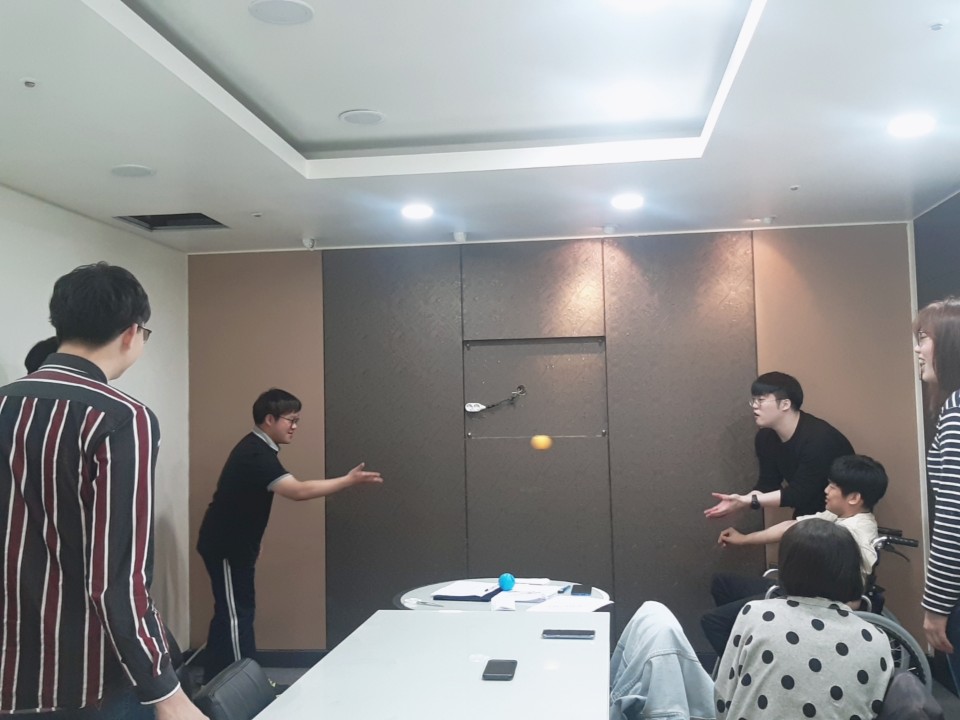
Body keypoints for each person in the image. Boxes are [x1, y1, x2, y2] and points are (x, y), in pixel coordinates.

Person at [0, 263, 205, 718]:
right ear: (132, 333)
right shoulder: (121, 417)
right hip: (82, 671)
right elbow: (117, 578)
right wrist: (165, 691)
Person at [612, 520, 893, 720]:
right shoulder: (877, 639)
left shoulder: (758, 614)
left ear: (788, 567)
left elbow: (722, 701)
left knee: (653, 619)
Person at [196, 389, 383, 683]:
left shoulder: (260, 449)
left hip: (236, 545)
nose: (295, 426)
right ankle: (242, 683)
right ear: (269, 419)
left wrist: (252, 542)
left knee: (232, 613)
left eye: (297, 420)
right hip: (226, 546)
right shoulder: (255, 453)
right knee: (236, 615)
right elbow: (298, 491)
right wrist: (348, 481)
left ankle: (214, 681)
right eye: (291, 420)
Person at [701, 454, 888, 656]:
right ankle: (753, 645)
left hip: (812, 604)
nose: (826, 490)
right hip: (803, 592)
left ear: (854, 498)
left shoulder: (854, 533)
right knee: (722, 584)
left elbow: (851, 597)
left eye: (833, 487)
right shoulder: (840, 516)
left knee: (714, 622)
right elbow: (791, 526)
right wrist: (744, 539)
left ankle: (750, 667)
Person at [704, 371, 854, 519]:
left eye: (760, 400)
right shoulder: (765, 437)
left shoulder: (819, 439)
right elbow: (767, 484)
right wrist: (739, 502)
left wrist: (747, 501)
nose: (754, 406)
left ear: (785, 404)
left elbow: (800, 494)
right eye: (753, 400)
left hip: (842, 518)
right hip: (806, 516)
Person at [914, 297, 960, 686]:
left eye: (923, 338)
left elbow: (954, 516)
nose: (917, 349)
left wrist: (936, 604)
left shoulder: (957, 409)